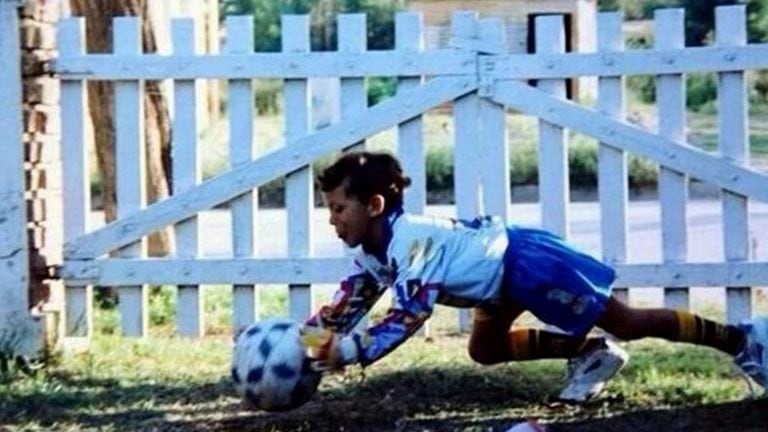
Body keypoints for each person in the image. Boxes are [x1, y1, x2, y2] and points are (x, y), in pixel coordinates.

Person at [302, 150, 768, 402]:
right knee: (484, 350)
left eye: (339, 209)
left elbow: (410, 314)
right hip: (494, 279)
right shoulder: (371, 252)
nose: (332, 220)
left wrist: (352, 351)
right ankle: (591, 354)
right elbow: (349, 304)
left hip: (522, 262)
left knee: (626, 320)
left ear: (374, 206)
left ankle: (742, 340)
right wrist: (301, 343)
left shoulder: (410, 242)